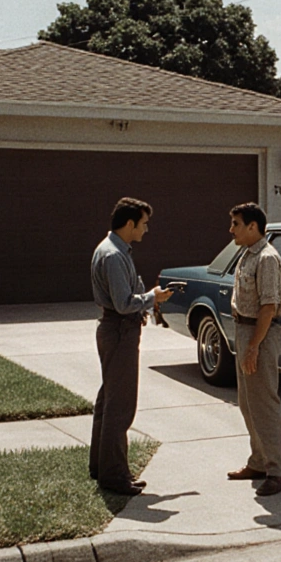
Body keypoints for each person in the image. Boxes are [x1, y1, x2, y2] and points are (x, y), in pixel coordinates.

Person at [90, 197, 173, 496]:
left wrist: (148, 295)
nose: (146, 229)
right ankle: (114, 476)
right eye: (144, 223)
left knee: (109, 401)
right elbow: (124, 304)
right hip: (119, 331)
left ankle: (102, 468)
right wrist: (153, 298)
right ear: (130, 223)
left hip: (117, 330)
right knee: (120, 407)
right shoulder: (112, 255)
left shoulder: (116, 250)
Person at [226, 202, 281, 496]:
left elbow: (268, 306)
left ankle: (276, 472)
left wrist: (253, 347)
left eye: (236, 224)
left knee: (264, 404)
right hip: (244, 329)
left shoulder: (266, 258)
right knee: (248, 402)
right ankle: (259, 461)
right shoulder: (246, 254)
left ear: (253, 226)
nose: (231, 229)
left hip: (259, 333)